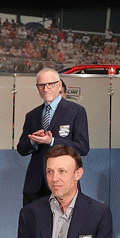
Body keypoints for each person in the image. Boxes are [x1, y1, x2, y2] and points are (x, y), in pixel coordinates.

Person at [17, 67, 90, 205]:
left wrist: (53, 141)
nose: (46, 88)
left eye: (50, 84)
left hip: (64, 184)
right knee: (33, 226)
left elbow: (83, 147)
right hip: (36, 185)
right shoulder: (32, 115)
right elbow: (21, 149)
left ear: (59, 85)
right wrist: (34, 141)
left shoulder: (76, 111)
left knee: (65, 226)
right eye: (41, 85)